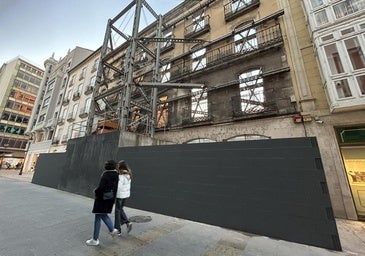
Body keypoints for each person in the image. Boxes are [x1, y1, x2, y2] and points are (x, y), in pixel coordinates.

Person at [86, 160, 119, 246]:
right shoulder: (116, 174)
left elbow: (101, 188)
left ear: (107, 166)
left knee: (98, 217)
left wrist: (95, 191)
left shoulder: (106, 174)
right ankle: (112, 230)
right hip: (110, 198)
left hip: (101, 199)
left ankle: (95, 239)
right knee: (102, 215)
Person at [114, 160, 133, 235]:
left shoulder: (120, 176)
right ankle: (127, 222)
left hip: (120, 196)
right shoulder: (128, 175)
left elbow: (119, 187)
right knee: (120, 209)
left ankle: (118, 230)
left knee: (117, 211)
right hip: (125, 195)